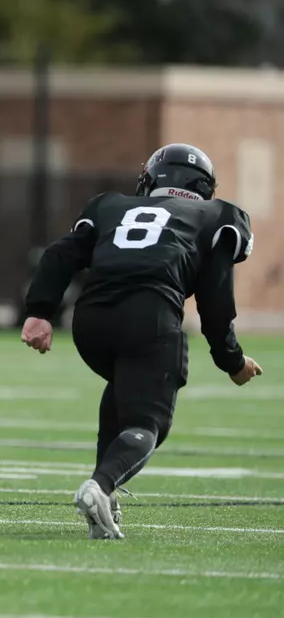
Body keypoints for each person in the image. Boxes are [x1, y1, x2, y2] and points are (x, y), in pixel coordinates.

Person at [21, 143, 262, 539]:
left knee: (124, 385)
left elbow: (59, 255)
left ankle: (106, 495)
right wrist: (231, 360)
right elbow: (216, 300)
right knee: (148, 422)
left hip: (91, 321)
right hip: (149, 317)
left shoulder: (109, 205)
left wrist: (40, 311)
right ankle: (99, 487)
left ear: (151, 179)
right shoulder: (220, 216)